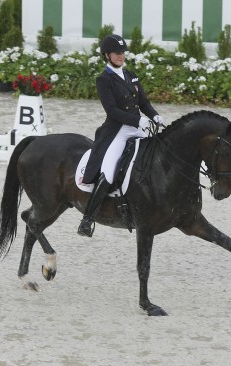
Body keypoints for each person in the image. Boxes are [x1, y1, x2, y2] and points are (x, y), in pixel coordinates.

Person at [78, 34, 164, 237]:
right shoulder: (104, 79)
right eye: (117, 53)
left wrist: (155, 115)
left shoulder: (131, 75)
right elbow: (112, 111)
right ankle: (87, 220)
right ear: (107, 55)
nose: (121, 56)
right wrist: (138, 121)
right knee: (108, 171)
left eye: (123, 52)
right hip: (118, 130)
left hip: (138, 126)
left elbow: (143, 103)